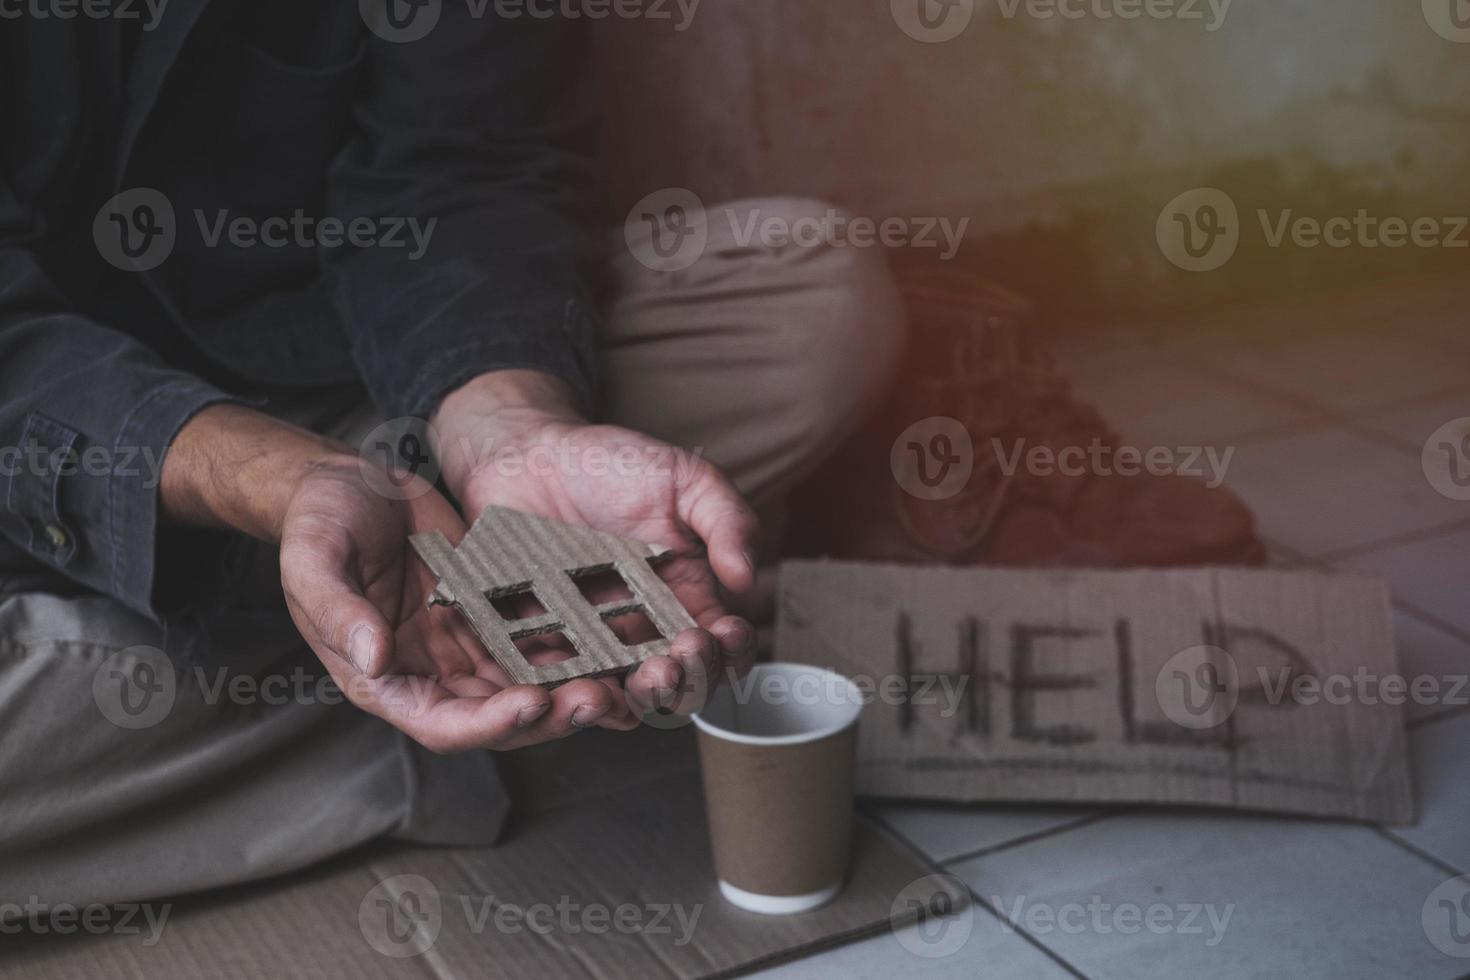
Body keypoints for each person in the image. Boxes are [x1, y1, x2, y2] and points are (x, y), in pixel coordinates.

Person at [0, 2, 1260, 909]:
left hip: (362, 404)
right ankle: (429, 714)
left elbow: (463, 170)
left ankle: (401, 663)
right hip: (60, 473)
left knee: (805, 302)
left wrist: (509, 427)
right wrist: (271, 481)